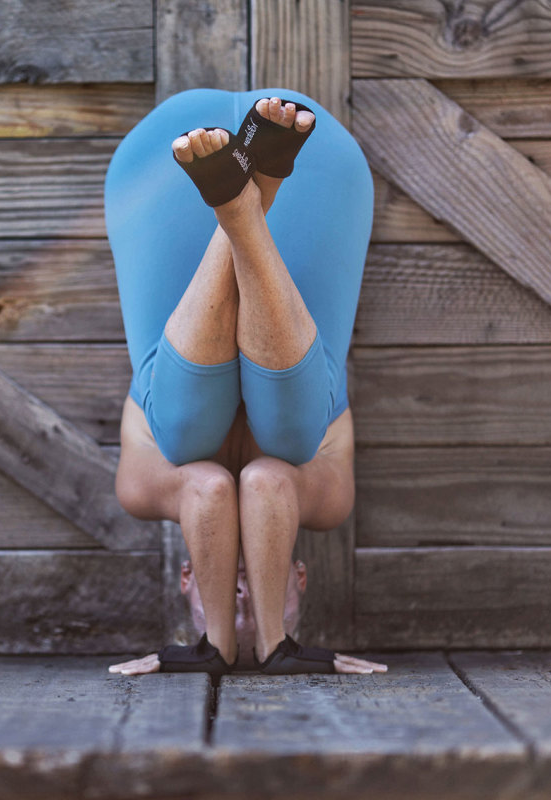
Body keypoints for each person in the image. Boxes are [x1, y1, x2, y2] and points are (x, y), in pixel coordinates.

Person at [104, 89, 387, 676]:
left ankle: (241, 203)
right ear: (298, 576)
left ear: (189, 578)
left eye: (225, 606)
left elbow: (205, 489)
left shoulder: (142, 488)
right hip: (321, 168)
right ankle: (253, 197)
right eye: (250, 607)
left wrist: (214, 648)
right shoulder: (327, 499)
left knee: (185, 439)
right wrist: (275, 646)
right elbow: (265, 485)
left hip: (159, 167)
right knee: (287, 440)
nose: (237, 599)